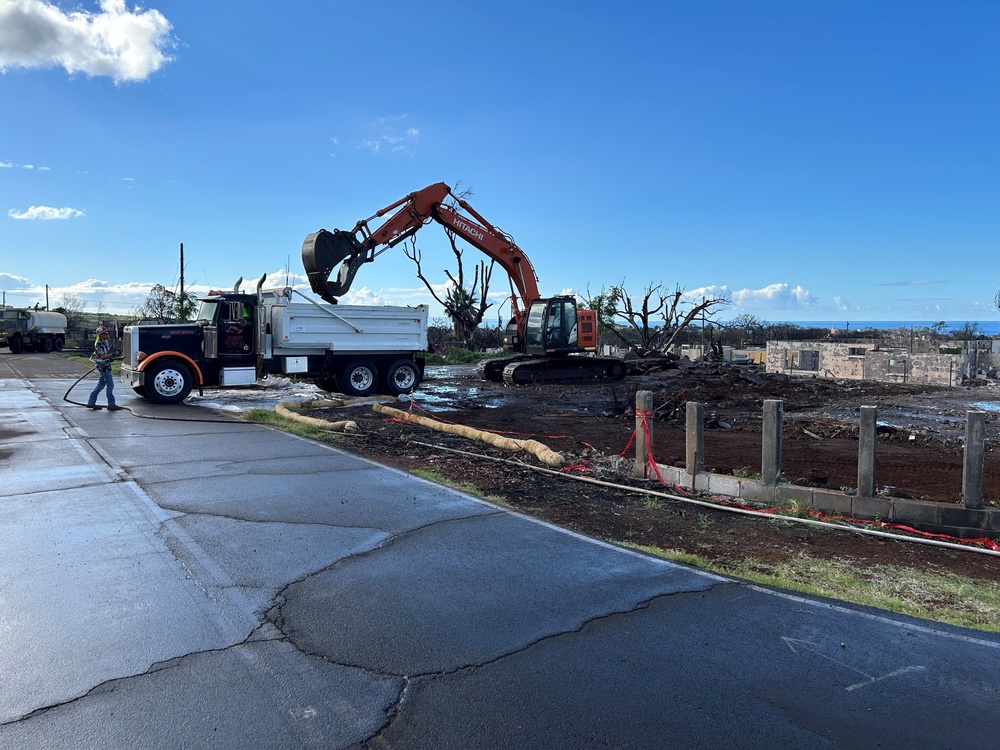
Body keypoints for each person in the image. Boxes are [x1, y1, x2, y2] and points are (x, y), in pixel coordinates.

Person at [87, 326, 121, 411]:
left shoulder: (105, 343)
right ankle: (111, 404)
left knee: (101, 385)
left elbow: (106, 356)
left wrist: (111, 358)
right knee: (110, 385)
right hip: (103, 367)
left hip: (106, 365)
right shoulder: (99, 345)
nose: (107, 335)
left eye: (107, 333)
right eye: (105, 333)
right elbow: (102, 357)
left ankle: (91, 402)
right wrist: (112, 355)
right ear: (101, 335)